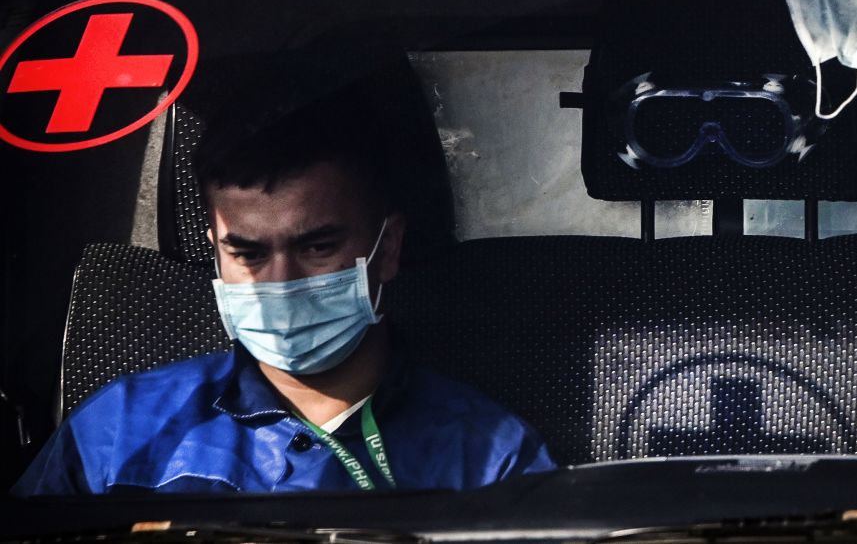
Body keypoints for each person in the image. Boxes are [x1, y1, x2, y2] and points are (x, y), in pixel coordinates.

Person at [12, 79, 555, 494]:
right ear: (216, 252)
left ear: (387, 249)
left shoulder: (488, 457)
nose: (280, 284)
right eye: (246, 253)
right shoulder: (119, 430)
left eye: (317, 247)